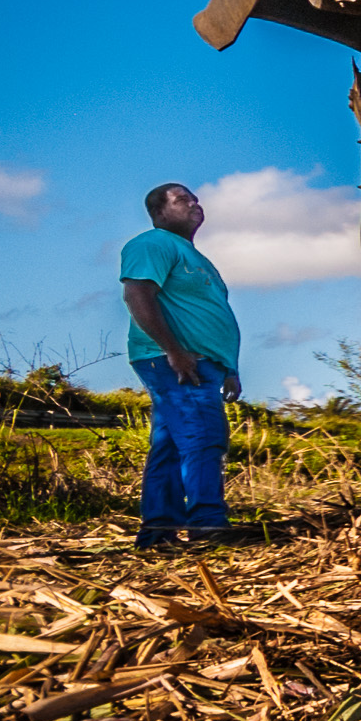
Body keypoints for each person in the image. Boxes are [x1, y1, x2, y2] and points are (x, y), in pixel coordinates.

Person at [120, 183, 243, 548]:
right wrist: (172, 350)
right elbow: (137, 294)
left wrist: (229, 367)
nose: (194, 204)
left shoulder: (191, 255)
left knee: (172, 446)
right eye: (182, 200)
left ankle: (159, 532)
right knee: (204, 438)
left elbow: (208, 314)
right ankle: (207, 525)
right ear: (159, 213)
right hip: (175, 361)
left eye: (195, 199)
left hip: (200, 364)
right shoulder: (152, 244)